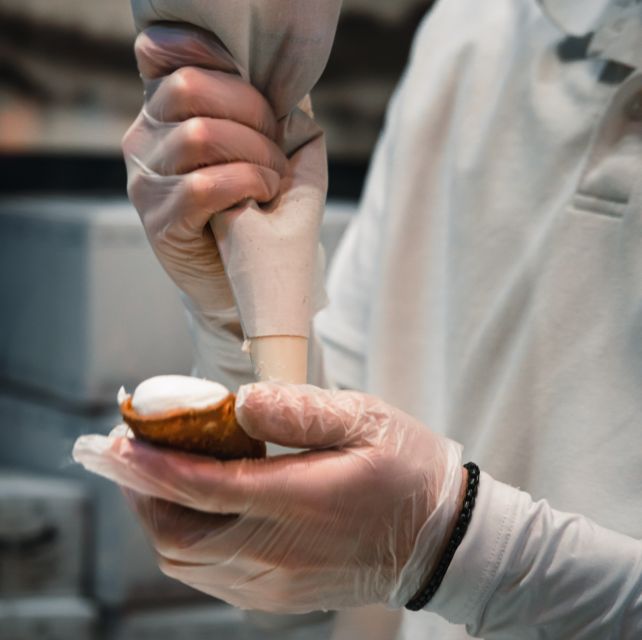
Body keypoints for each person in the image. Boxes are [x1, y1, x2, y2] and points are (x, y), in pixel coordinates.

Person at [74, 0, 642, 638]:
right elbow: (327, 439)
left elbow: (405, 538)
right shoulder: (474, 32)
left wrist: (462, 550)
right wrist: (236, 306)